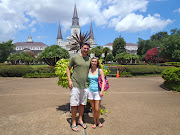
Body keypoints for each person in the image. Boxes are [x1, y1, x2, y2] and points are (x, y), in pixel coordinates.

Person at [66, 43, 91, 132]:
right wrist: (69, 80)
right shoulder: (74, 58)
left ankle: (80, 119)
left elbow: (93, 70)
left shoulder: (89, 59)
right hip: (75, 84)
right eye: (84, 48)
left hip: (85, 85)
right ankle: (73, 121)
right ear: (81, 48)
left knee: (82, 104)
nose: (86, 50)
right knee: (74, 104)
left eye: (87, 48)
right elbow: (68, 69)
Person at [88, 57, 105, 129]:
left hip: (98, 91)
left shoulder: (99, 70)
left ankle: (98, 121)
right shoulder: (88, 70)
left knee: (97, 109)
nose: (93, 62)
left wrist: (102, 91)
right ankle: (95, 122)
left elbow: (103, 81)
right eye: (92, 61)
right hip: (90, 91)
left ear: (97, 62)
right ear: (91, 62)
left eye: (95, 61)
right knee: (93, 108)